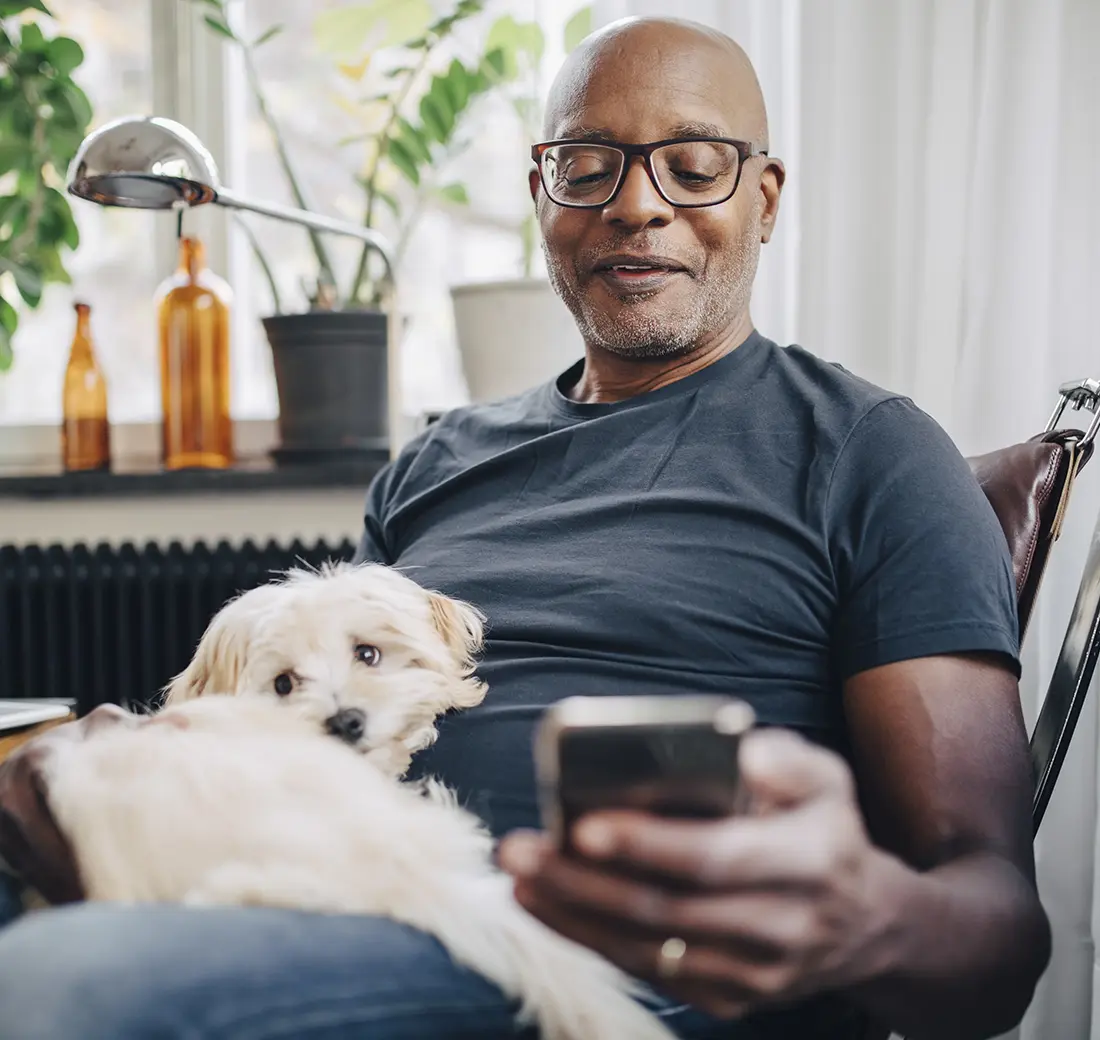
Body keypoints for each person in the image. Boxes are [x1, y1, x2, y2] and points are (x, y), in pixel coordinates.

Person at [0, 15, 1049, 1040]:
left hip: (595, 965)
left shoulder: (870, 453)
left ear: (763, 199)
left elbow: (996, 935)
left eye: (692, 166)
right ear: (541, 193)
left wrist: (859, 918)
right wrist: (143, 770)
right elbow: (323, 731)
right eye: (589, 165)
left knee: (63, 985)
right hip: (335, 888)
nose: (638, 205)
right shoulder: (432, 463)